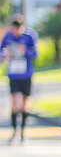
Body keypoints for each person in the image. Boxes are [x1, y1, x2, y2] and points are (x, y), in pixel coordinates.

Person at [1, 16, 38, 144]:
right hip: (13, 75)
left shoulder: (30, 36)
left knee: (25, 104)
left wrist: (25, 51)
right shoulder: (8, 37)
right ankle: (14, 132)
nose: (16, 31)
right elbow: (2, 53)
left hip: (26, 75)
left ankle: (23, 133)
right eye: (14, 29)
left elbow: (35, 54)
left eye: (19, 29)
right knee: (15, 102)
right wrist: (5, 55)